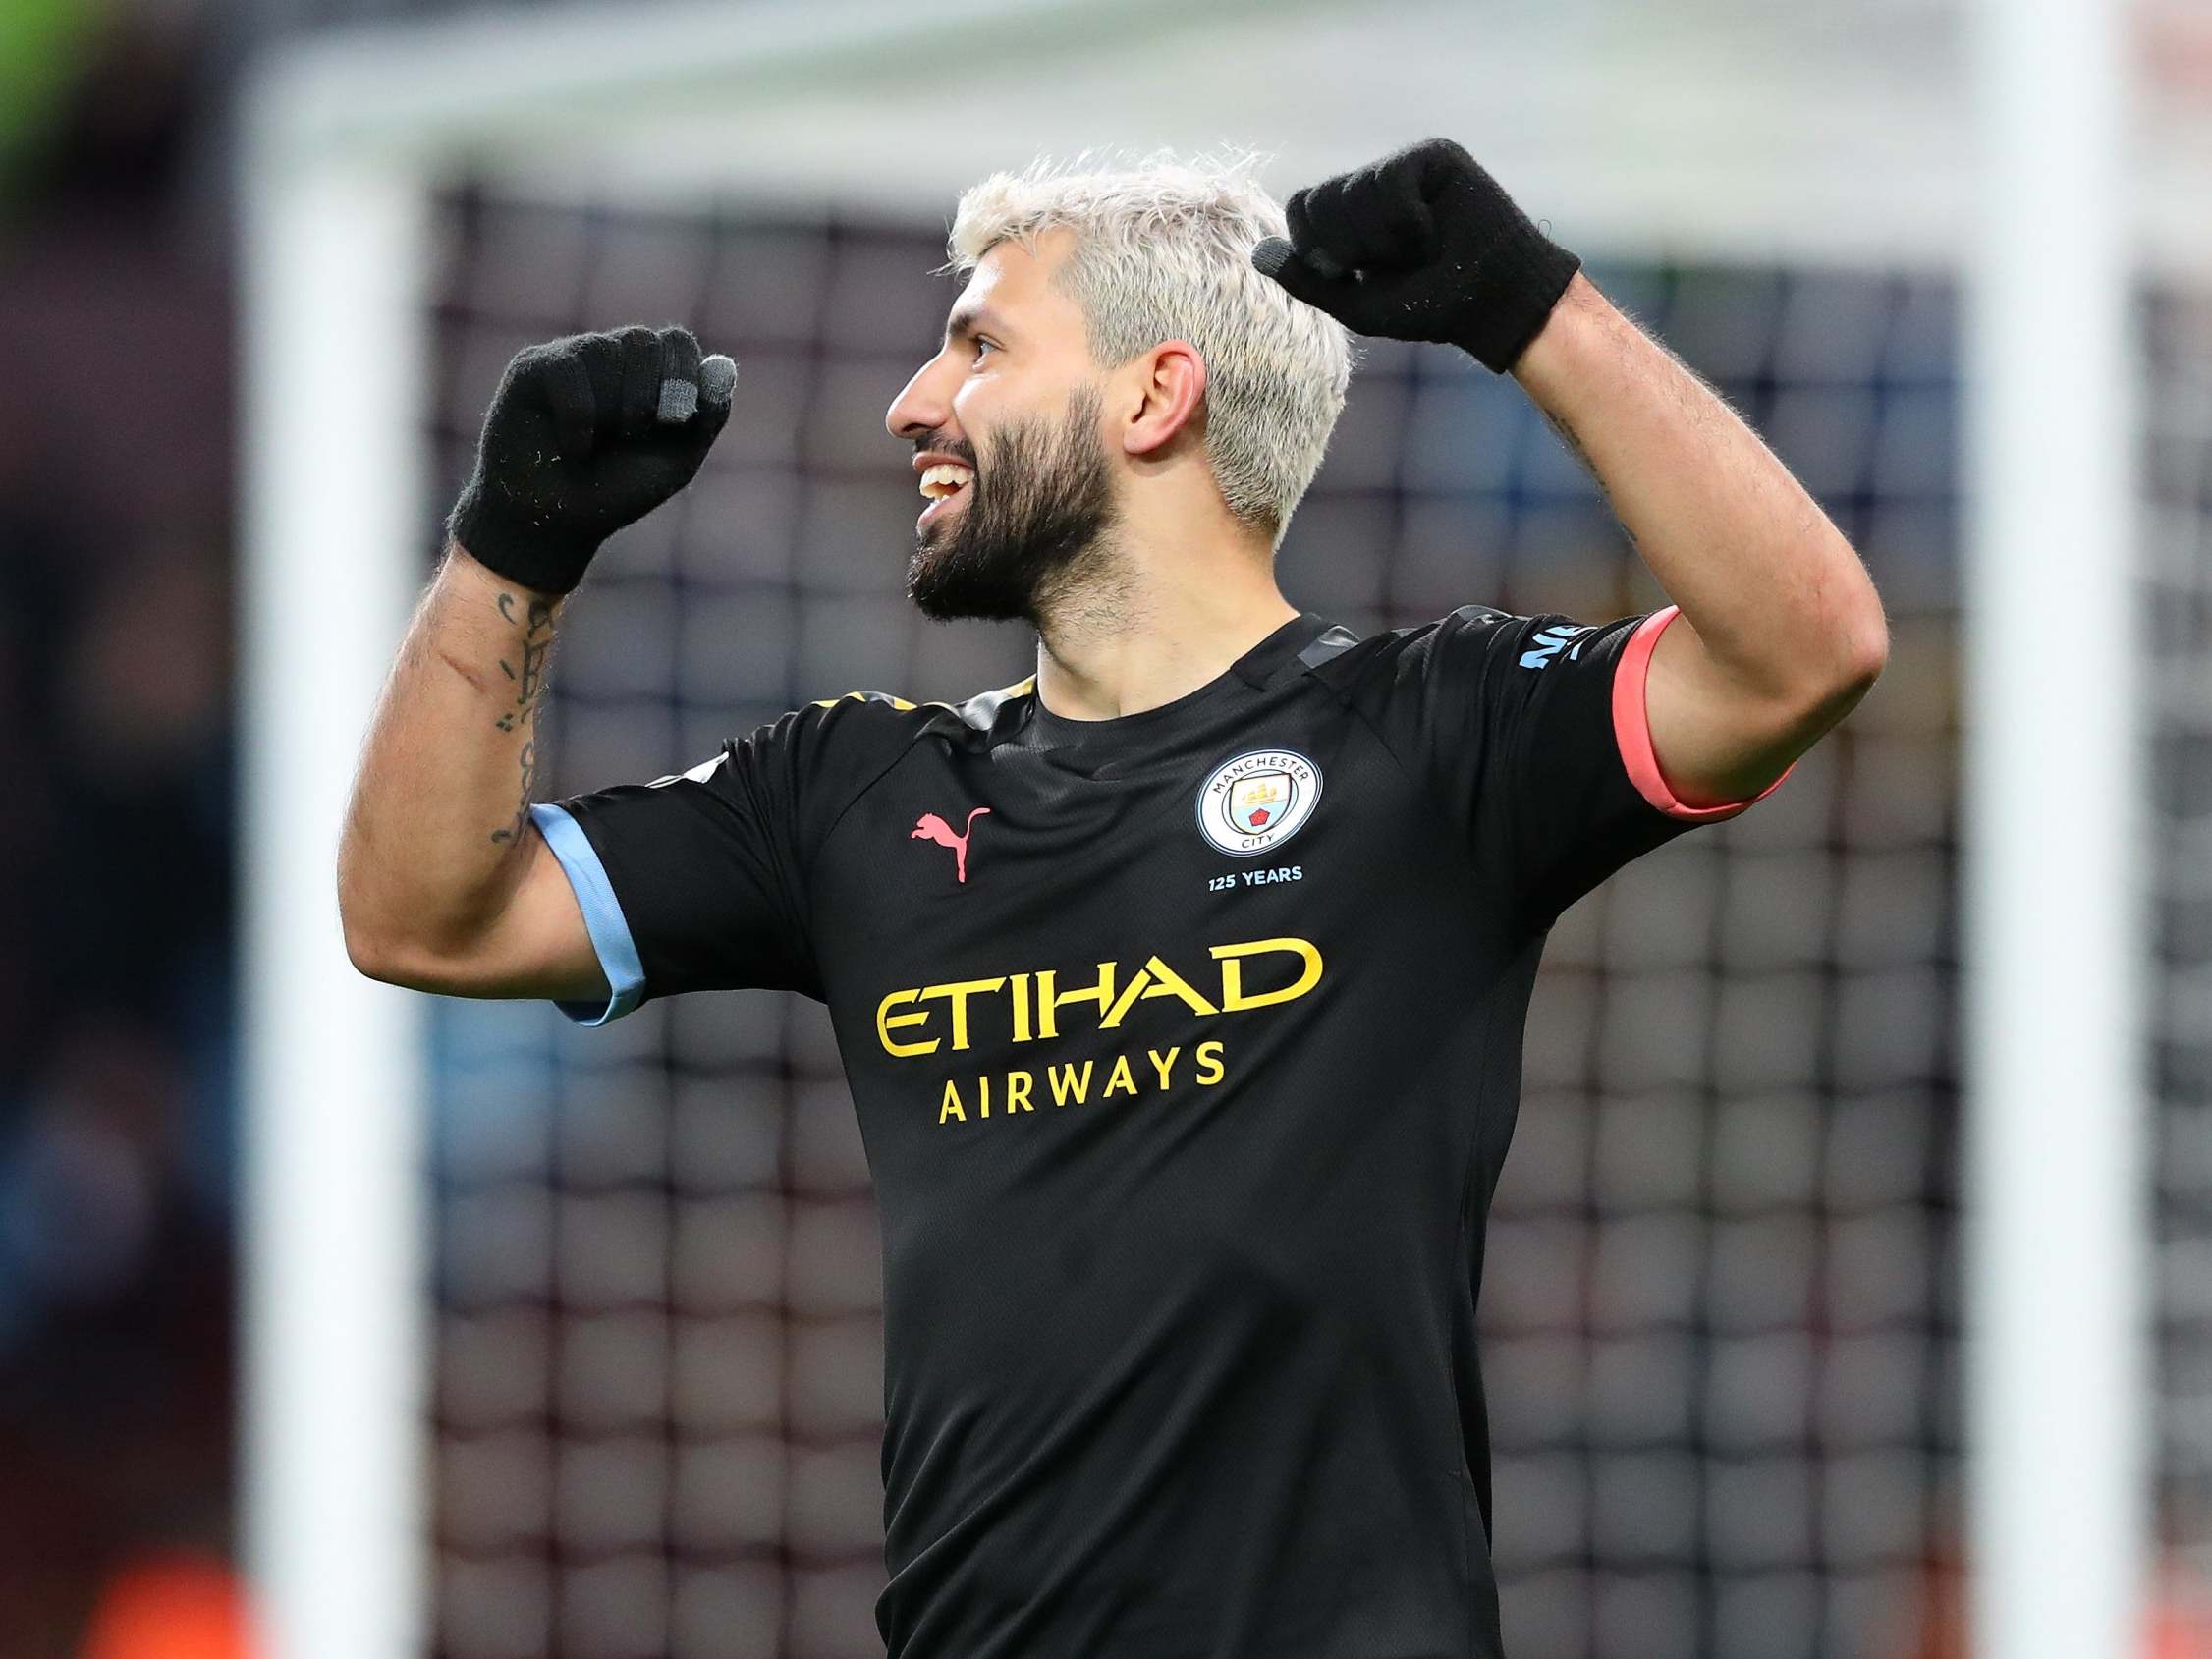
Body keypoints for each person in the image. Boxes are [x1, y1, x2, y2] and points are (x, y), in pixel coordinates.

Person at [339, 141, 1887, 1658]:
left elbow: (1805, 647)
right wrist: (512, 547)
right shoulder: (854, 792)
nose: (912, 405)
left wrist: (1533, 309)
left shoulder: (1430, 733)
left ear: (1156, 394)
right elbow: (424, 917)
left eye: (980, 346)